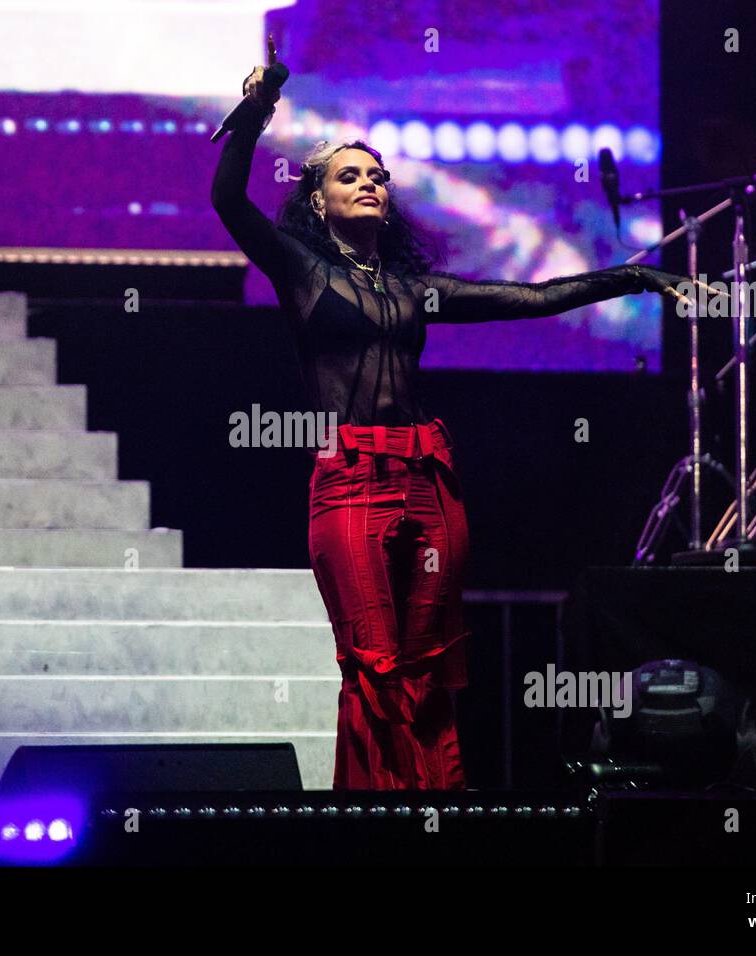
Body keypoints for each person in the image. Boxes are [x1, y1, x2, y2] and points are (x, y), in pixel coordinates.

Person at [211, 53, 688, 790]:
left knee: (431, 661)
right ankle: (378, 821)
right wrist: (261, 104)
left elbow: (530, 297)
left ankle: (442, 816)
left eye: (377, 177)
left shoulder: (415, 288)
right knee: (375, 664)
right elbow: (227, 197)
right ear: (316, 202)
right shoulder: (301, 270)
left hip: (428, 479)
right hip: (351, 482)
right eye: (349, 176)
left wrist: (631, 275)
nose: (370, 183)